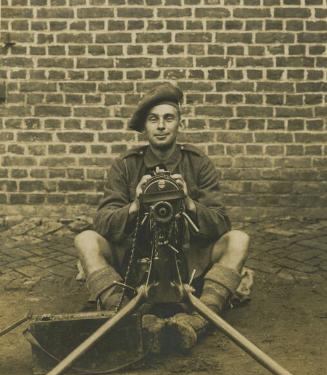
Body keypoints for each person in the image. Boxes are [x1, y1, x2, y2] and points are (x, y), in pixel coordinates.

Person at [75, 82, 250, 353]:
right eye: (153, 119)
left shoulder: (197, 163)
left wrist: (189, 202)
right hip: (136, 262)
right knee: (86, 240)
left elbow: (220, 222)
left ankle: (201, 318)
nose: (161, 126)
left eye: (169, 118)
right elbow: (103, 222)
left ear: (180, 122)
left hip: (189, 259)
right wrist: (134, 205)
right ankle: (122, 315)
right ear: (145, 127)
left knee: (238, 239)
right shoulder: (126, 165)